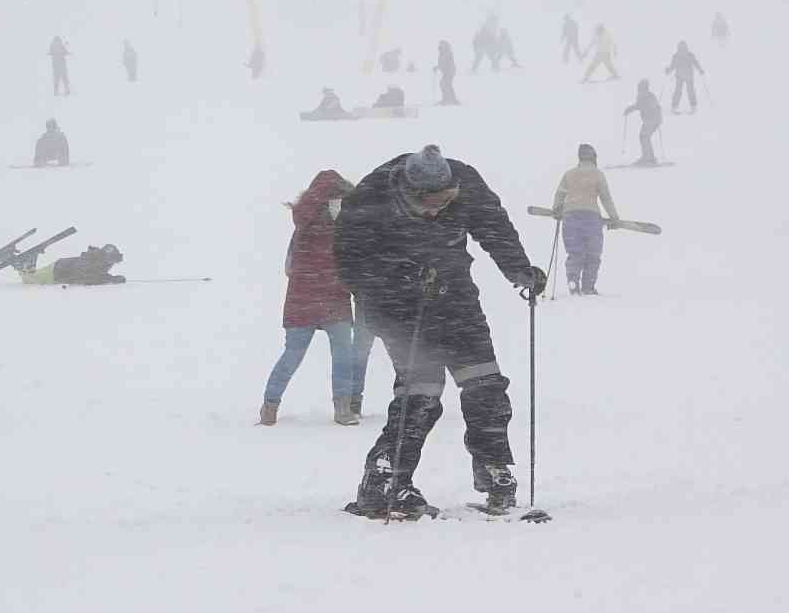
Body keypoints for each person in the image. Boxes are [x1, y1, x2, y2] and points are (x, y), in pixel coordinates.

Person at [336, 145, 545, 518]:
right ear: (405, 192)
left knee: (485, 381)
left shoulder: (465, 182)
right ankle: (385, 479)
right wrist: (401, 280)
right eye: (428, 204)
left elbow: (493, 227)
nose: (437, 210)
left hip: (454, 292)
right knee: (422, 392)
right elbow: (351, 266)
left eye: (446, 200)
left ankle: (493, 466)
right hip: (393, 305)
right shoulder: (369, 199)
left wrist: (519, 269)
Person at [260, 171, 358, 426]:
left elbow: (290, 267)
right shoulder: (311, 228)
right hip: (319, 301)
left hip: (316, 301)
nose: (340, 206)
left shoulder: (338, 229)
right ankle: (340, 408)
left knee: (300, 355)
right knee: (333, 355)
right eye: (335, 200)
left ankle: (271, 406)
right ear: (323, 201)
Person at [552, 145, 620, 295]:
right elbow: (606, 198)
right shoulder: (598, 175)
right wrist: (614, 217)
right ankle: (588, 286)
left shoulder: (569, 174)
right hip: (591, 218)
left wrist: (557, 209)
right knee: (593, 254)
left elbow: (559, 194)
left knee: (574, 252)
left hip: (570, 218)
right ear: (594, 157)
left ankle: (573, 284)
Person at [17, 244, 126, 285]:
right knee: (29, 280)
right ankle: (20, 264)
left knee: (31, 278)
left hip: (59, 270)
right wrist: (109, 279)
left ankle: (25, 264)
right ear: (104, 257)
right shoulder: (89, 259)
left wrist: (112, 278)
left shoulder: (102, 264)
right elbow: (83, 277)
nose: (111, 264)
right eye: (110, 260)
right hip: (56, 271)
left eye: (114, 261)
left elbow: (95, 276)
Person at [623, 80, 664, 165]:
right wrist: (629, 109)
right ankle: (648, 157)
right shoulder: (641, 96)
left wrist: (631, 109)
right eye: (639, 88)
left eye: (641, 88)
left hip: (653, 120)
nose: (639, 90)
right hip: (648, 120)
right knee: (644, 137)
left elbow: (644, 106)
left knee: (644, 137)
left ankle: (648, 158)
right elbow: (638, 105)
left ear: (646, 88)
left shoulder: (650, 97)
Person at [664, 40, 705, 113]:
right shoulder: (689, 55)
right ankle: (693, 106)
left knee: (679, 91)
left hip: (681, 76)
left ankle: (675, 106)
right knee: (689, 91)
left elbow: (672, 66)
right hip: (687, 76)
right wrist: (700, 70)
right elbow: (695, 63)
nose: (682, 50)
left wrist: (668, 70)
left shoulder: (676, 56)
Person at [434, 40, 460, 106]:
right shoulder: (442, 52)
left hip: (449, 71)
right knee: (446, 84)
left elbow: (444, 62)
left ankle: (447, 99)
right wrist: (437, 67)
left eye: (441, 44)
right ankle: (451, 99)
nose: (440, 45)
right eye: (440, 44)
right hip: (447, 71)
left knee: (444, 84)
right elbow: (441, 62)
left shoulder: (446, 52)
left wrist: (438, 67)